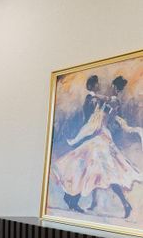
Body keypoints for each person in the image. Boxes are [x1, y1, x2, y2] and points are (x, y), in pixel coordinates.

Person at [53, 75, 142, 219]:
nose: (102, 87)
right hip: (100, 137)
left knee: (95, 170)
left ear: (114, 87)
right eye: (97, 85)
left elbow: (97, 121)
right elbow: (108, 119)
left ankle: (72, 198)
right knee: (92, 169)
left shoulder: (105, 102)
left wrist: (79, 137)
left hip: (99, 138)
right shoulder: (105, 101)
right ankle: (71, 198)